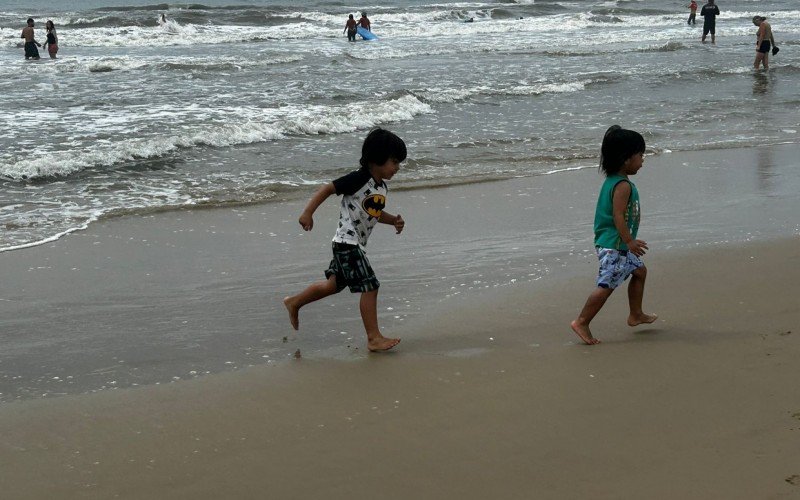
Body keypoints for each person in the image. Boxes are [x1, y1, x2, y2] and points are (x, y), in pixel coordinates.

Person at [284, 128, 407, 352]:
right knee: (370, 286)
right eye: (394, 161)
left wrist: (394, 221)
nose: (397, 167)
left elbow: (373, 213)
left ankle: (294, 302)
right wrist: (308, 212)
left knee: (333, 285)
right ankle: (373, 338)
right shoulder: (359, 178)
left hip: (351, 244)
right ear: (376, 159)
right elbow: (329, 188)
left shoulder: (380, 187)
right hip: (347, 243)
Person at [570, 126, 657, 345]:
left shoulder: (613, 181)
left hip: (616, 243)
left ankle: (635, 314)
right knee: (606, 286)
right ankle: (581, 321)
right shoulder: (622, 185)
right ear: (626, 159)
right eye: (640, 155)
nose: (643, 160)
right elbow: (618, 216)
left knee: (639, 271)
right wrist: (629, 241)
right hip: (616, 245)